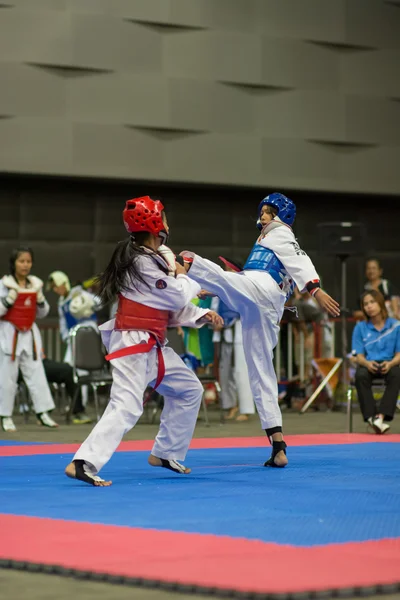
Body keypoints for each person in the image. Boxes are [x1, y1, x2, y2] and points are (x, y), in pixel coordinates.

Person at [65, 196, 222, 486]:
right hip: (133, 343)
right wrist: (188, 278)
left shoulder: (154, 257)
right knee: (126, 405)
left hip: (153, 344)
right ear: (153, 224)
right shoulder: (140, 262)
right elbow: (176, 294)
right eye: (163, 217)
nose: (167, 222)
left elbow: (166, 305)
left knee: (189, 390)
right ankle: (83, 461)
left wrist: (201, 314)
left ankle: (165, 452)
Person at [181, 193, 340, 467]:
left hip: (262, 291)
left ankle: (183, 263)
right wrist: (217, 287)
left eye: (269, 211)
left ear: (282, 215)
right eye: (263, 211)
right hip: (264, 303)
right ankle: (278, 444)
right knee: (261, 369)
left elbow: (297, 259)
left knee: (203, 266)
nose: (263, 216)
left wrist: (315, 289)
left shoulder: (280, 233)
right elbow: (249, 279)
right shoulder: (266, 239)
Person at [0, 247, 58, 431]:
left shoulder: (35, 285)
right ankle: (5, 415)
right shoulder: (4, 284)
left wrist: (40, 299)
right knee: (7, 377)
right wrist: (9, 299)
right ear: (13, 263)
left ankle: (43, 413)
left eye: (28, 261)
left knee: (36, 374)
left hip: (30, 335)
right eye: (21, 261)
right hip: (10, 334)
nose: (25, 265)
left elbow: (43, 313)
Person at [47, 270, 100, 424]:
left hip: (87, 335)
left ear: (64, 282)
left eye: (57, 286)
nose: (57, 290)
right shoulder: (61, 302)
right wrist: (65, 337)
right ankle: (76, 404)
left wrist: (85, 299)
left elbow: (99, 302)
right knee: (69, 370)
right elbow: (63, 323)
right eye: (54, 288)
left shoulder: (79, 292)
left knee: (81, 371)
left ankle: (79, 406)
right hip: (73, 339)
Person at [210, 257, 255, 421]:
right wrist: (215, 321)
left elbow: (241, 309)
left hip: (238, 330)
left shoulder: (242, 287)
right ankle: (231, 405)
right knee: (225, 370)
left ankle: (246, 408)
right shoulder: (222, 287)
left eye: (227, 268)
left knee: (241, 370)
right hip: (224, 333)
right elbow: (215, 307)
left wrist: (225, 321)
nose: (225, 270)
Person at [351, 289, 400, 434]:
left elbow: (399, 353)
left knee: (397, 374)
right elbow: (358, 355)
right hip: (369, 363)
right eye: (365, 304)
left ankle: (381, 416)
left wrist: (390, 364)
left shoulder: (396, 325)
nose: (369, 306)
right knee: (360, 375)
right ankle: (373, 418)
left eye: (372, 302)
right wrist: (367, 363)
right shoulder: (360, 327)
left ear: (380, 303)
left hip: (390, 363)